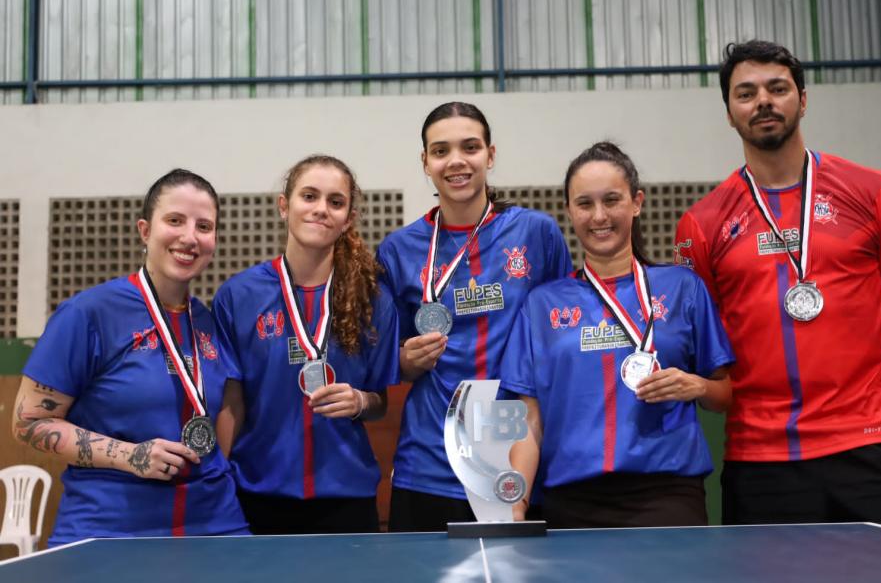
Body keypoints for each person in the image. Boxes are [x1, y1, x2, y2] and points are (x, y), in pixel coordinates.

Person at [674, 39, 881, 530]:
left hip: (869, 445)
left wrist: (856, 396)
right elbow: (705, 345)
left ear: (803, 99)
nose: (763, 101)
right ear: (729, 113)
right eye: (745, 93)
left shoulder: (876, 193)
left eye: (777, 88)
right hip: (761, 456)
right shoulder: (701, 224)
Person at [499, 141, 733, 528]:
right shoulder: (541, 304)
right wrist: (517, 502)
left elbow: (723, 396)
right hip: (571, 499)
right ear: (569, 211)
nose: (599, 216)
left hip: (666, 495)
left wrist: (697, 386)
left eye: (612, 200)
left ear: (637, 202)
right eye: (585, 204)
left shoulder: (682, 288)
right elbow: (529, 419)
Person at [13, 169, 248, 545]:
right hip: (111, 529)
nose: (189, 237)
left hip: (213, 523)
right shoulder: (88, 314)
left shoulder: (209, 321)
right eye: (175, 220)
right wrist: (130, 455)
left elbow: (226, 408)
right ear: (144, 230)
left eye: (204, 226)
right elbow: (28, 423)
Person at [377, 101, 574, 531]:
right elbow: (384, 360)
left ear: (491, 154)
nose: (456, 161)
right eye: (441, 151)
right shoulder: (398, 250)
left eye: (470, 147)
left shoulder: (535, 233)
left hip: (517, 461)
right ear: (425, 163)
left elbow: (561, 335)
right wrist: (404, 361)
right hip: (428, 463)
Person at [212, 154, 398, 534]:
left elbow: (379, 401)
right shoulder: (238, 296)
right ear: (285, 206)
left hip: (346, 496)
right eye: (309, 196)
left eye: (335, 202)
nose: (320, 210)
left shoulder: (370, 298)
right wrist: (215, 481)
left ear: (348, 218)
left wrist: (361, 402)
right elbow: (231, 402)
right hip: (259, 493)